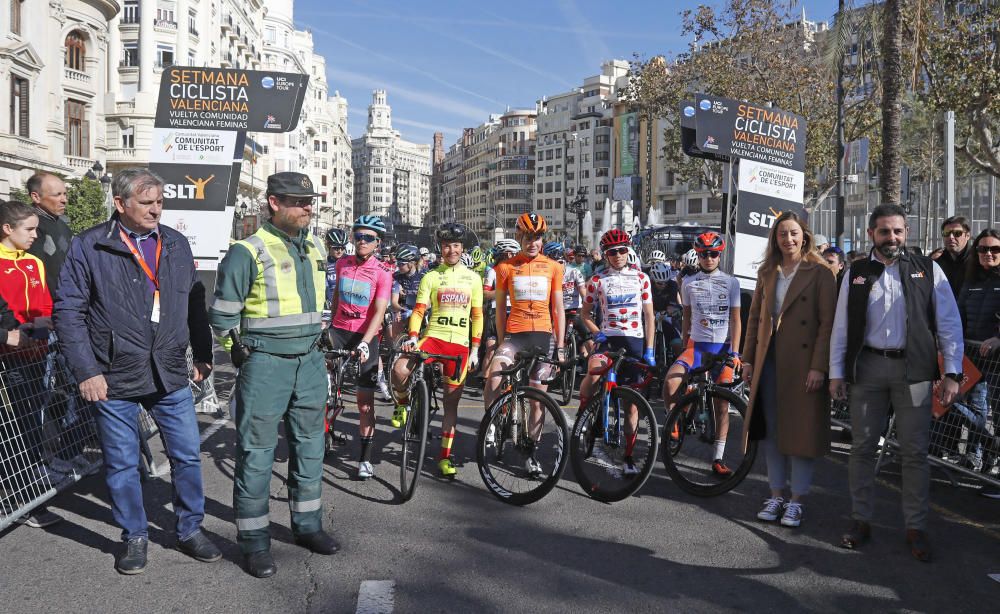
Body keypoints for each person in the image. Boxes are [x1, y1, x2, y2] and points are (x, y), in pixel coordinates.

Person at [55, 168, 220, 575]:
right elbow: (69, 312)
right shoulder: (90, 245)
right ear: (120, 203)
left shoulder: (176, 243)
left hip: (168, 371)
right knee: (123, 462)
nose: (156, 210)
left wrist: (202, 352)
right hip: (113, 375)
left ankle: (189, 529)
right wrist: (86, 371)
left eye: (160, 202)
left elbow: (193, 302)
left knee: (185, 455)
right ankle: (134, 535)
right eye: (146, 203)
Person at [209, 172, 336, 577]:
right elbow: (223, 316)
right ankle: (255, 543)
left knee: (311, 448)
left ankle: (308, 526)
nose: (307, 208)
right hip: (265, 364)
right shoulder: (247, 251)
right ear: (274, 203)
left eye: (310, 201)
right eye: (299, 202)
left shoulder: (317, 245)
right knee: (257, 455)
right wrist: (240, 354)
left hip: (311, 361)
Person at [830, 204, 963, 562]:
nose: (892, 238)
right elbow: (841, 326)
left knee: (914, 454)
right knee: (861, 449)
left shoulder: (927, 270)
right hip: (868, 369)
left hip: (914, 371)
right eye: (885, 231)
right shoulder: (856, 272)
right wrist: (836, 373)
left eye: (898, 231)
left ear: (907, 233)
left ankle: (915, 527)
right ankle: (861, 520)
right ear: (872, 233)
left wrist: (952, 372)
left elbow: (949, 323)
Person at [741, 212, 837, 528]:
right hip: (769, 363)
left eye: (793, 233)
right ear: (775, 238)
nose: (789, 239)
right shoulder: (767, 272)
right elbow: (754, 320)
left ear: (804, 235)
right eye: (782, 234)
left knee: (801, 433)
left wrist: (819, 367)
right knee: (771, 433)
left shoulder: (821, 273)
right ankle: (776, 494)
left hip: (804, 365)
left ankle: (797, 501)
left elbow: (827, 325)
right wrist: (748, 359)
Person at [390, 223, 483, 477]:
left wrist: (475, 350)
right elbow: (419, 311)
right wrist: (411, 337)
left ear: (461, 248)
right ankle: (402, 402)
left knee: (450, 406)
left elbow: (477, 315)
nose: (451, 250)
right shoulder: (431, 276)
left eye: (455, 245)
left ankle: (444, 456)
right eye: (446, 246)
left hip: (460, 344)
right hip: (433, 338)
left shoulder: (473, 278)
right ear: (440, 248)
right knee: (399, 370)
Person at [484, 212, 566, 476]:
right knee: (494, 376)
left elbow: (559, 310)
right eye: (528, 237)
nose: (533, 242)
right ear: (519, 237)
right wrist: (498, 340)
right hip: (515, 335)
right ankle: (493, 422)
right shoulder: (505, 268)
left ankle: (532, 452)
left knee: (537, 398)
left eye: (538, 237)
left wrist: (561, 345)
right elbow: (499, 310)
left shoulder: (554, 267)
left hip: (543, 335)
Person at [0, 201, 63, 529]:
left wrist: (36, 333)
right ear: (7, 229)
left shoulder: (34, 262)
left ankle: (30, 483)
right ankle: (21, 493)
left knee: (29, 421)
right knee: (14, 428)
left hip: (34, 355)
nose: (36, 236)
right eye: (30, 229)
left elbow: (43, 306)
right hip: (7, 359)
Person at [661, 232, 742, 476]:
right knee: (671, 381)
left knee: (722, 404)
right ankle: (674, 422)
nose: (708, 258)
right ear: (697, 255)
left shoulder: (731, 282)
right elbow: (686, 315)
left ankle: (718, 457)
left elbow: (736, 320)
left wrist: (736, 352)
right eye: (704, 254)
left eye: (713, 254)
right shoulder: (688, 282)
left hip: (722, 349)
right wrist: (685, 342)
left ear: (720, 255)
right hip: (696, 347)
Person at [577, 228, 656, 474]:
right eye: (613, 252)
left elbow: (649, 317)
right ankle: (583, 413)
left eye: (623, 250)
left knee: (631, 406)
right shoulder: (597, 280)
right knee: (593, 373)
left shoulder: (641, 278)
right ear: (606, 255)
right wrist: (594, 331)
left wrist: (650, 349)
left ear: (628, 251)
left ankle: (629, 457)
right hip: (608, 339)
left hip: (634, 340)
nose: (619, 255)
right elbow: (585, 314)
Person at [328, 214, 393, 481]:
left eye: (368, 238)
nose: (362, 241)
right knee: (322, 386)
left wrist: (366, 342)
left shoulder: (382, 271)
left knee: (365, 403)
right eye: (358, 237)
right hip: (340, 330)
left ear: (377, 243)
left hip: (366, 335)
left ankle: (365, 459)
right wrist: (328, 327)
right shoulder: (342, 263)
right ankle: (323, 430)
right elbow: (335, 299)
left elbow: (379, 311)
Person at [956, 229, 1000, 497]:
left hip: (997, 363)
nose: (989, 254)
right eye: (983, 249)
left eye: (995, 249)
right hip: (970, 357)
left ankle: (991, 464)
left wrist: (998, 338)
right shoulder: (970, 280)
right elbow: (958, 313)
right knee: (958, 404)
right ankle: (986, 453)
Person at [25, 172, 72, 295]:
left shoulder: (63, 226)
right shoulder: (28, 227)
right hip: (43, 304)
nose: (64, 200)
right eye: (57, 195)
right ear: (36, 197)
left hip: (67, 300)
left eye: (65, 194)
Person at [482, 238, 520, 373]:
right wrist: (505, 292)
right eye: (515, 254)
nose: (517, 257)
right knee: (491, 349)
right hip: (496, 310)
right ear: (508, 254)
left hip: (515, 311)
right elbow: (485, 294)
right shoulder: (493, 271)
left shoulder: (519, 270)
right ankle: (486, 382)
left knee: (515, 350)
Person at [389, 244, 425, 343]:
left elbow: (429, 303)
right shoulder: (397, 276)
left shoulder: (424, 276)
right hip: (405, 308)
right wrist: (401, 310)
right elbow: (394, 302)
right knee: (396, 320)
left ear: (411, 263)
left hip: (422, 310)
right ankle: (395, 349)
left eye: (401, 263)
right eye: (397, 263)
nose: (398, 266)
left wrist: (413, 311)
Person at [936, 215, 972, 297]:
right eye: (946, 233)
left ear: (968, 236)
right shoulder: (937, 262)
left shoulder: (978, 260)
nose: (951, 237)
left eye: (957, 233)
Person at [324, 228, 349, 308]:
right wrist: (329, 300)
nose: (340, 251)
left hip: (347, 303)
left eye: (342, 248)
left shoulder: (350, 261)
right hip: (330, 304)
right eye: (336, 248)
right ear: (328, 246)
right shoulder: (322, 262)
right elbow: (323, 284)